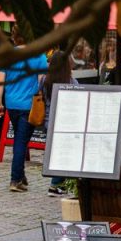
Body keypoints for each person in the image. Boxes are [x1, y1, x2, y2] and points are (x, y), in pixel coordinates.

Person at [0, 32, 49, 193]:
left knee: (20, 138)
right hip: (29, 105)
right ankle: (15, 179)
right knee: (21, 141)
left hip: (12, 104)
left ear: (14, 38)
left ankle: (21, 176)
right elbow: (42, 81)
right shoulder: (39, 56)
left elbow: (0, 80)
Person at [41, 51, 76, 197]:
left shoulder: (44, 80)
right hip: (64, 122)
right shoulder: (71, 82)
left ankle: (58, 184)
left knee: (57, 153)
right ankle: (55, 185)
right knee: (64, 154)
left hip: (48, 121)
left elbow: (41, 98)